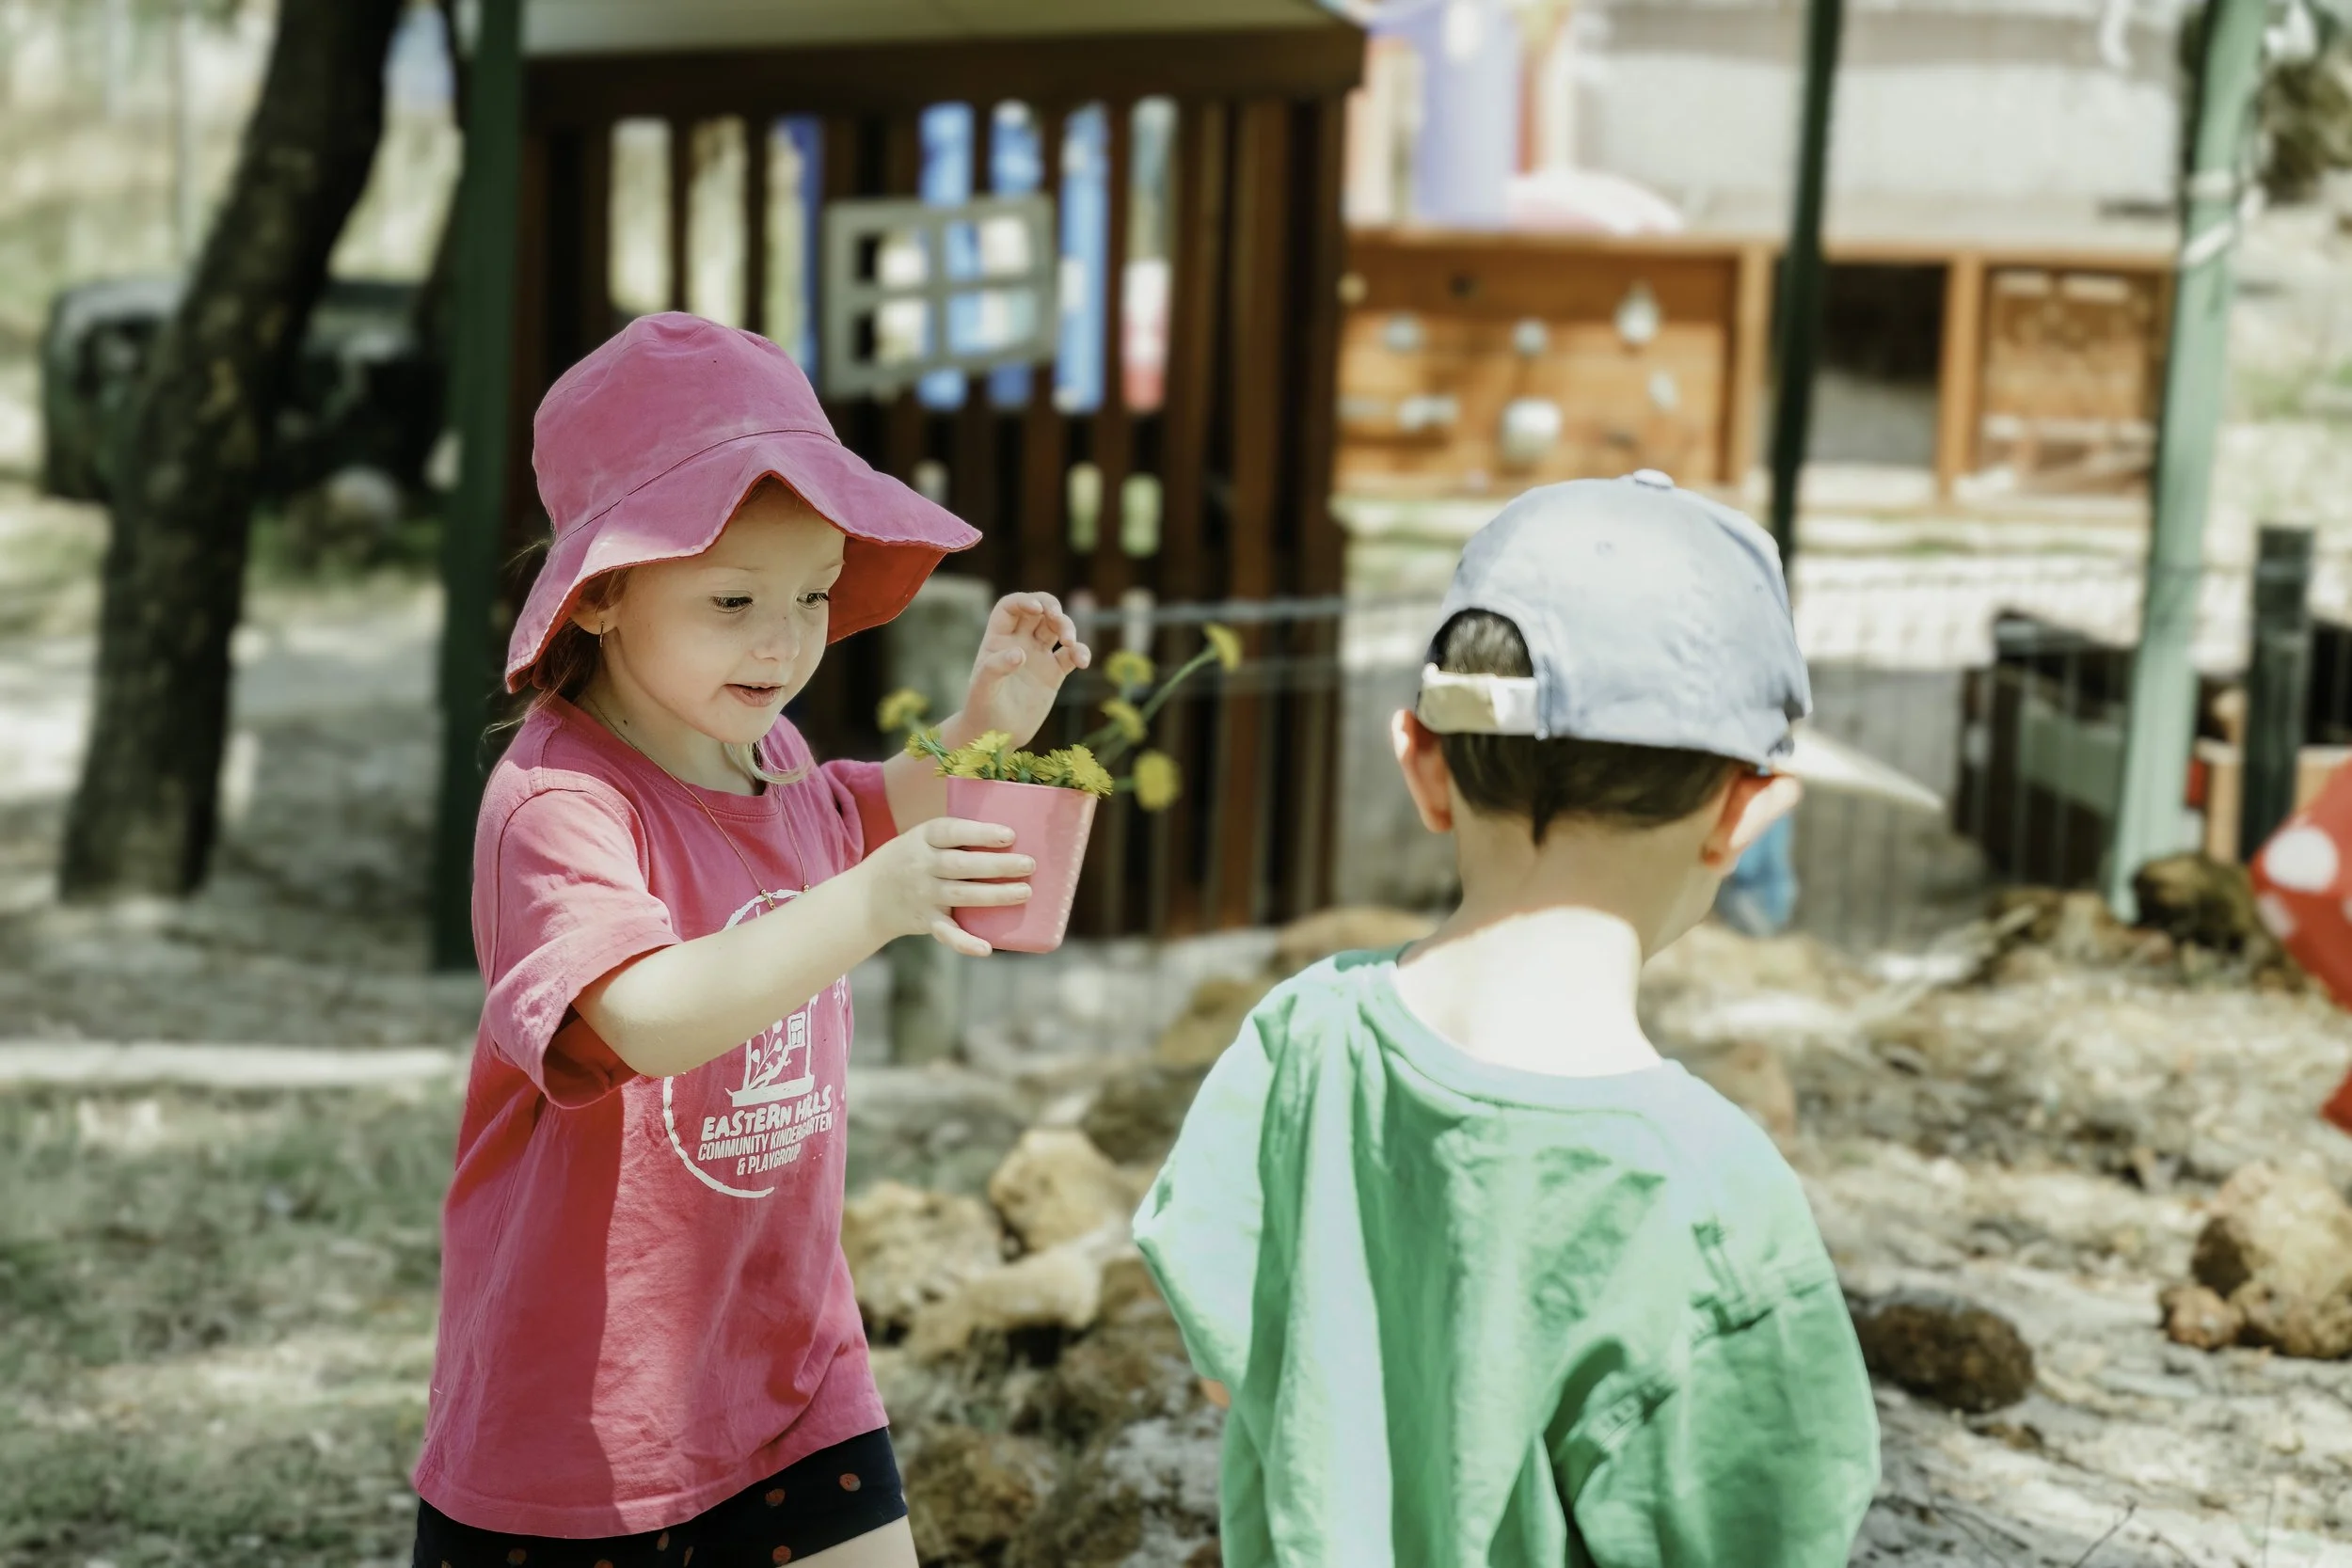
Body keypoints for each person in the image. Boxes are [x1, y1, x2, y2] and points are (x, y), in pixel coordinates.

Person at [409, 312, 1089, 1568]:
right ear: (604, 590)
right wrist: (876, 904)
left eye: (815, 594)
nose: (783, 642)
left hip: (788, 1358)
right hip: (583, 1420)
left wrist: (989, 719)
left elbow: (862, 811)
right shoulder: (560, 803)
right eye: (733, 600)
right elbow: (643, 1013)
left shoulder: (760, 748)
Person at [1133, 471, 1881, 1566]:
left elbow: (1227, 1366)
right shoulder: (1711, 1193)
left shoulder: (1300, 1038)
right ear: (1741, 813)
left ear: (1423, 768)